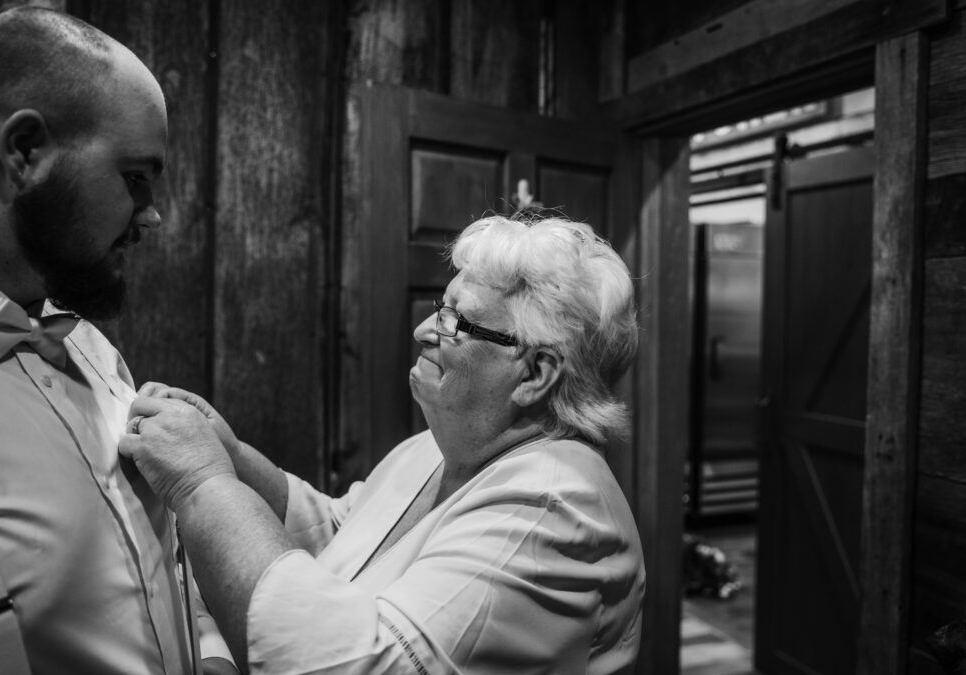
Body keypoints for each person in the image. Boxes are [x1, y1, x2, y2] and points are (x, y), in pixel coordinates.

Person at [122, 213, 645, 674]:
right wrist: (232, 457)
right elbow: (340, 534)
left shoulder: (550, 511)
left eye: (456, 321)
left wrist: (202, 482)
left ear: (535, 372)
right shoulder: (440, 447)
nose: (423, 330)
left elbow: (359, 666)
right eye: (440, 307)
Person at [0, 6, 236, 674]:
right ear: (25, 152)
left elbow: (158, 570)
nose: (153, 215)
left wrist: (208, 654)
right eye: (134, 177)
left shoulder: (93, 350)